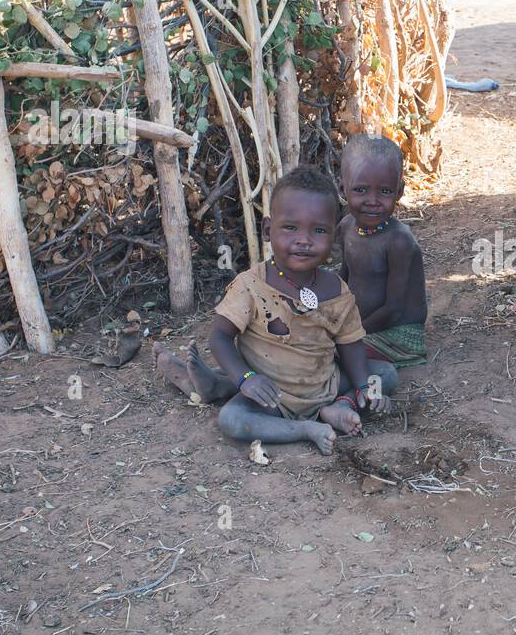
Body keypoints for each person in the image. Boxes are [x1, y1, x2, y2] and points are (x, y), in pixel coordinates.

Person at [156, 166, 395, 455]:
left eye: (318, 230)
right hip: (270, 395)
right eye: (290, 228)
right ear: (268, 230)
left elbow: (352, 347)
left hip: (325, 385)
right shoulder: (250, 286)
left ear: (333, 237)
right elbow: (219, 337)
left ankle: (337, 407)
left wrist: (363, 387)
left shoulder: (337, 291)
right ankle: (305, 429)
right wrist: (247, 379)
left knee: (385, 374)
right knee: (232, 420)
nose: (303, 240)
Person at [338, 133, 428, 368]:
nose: (373, 200)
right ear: (342, 188)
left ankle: (349, 399)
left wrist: (351, 334)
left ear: (399, 191)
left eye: (385, 192)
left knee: (338, 356)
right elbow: (344, 279)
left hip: (396, 334)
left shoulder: (399, 241)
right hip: (360, 326)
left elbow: (394, 309)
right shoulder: (346, 227)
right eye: (360, 190)